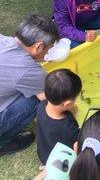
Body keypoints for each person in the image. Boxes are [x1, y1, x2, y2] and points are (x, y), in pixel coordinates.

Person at [0, 15, 59, 156]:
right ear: (38, 46)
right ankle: (3, 143)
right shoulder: (27, 69)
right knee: (36, 100)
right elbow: (53, 99)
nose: (48, 53)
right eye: (49, 48)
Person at [36, 69, 81, 165]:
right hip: (57, 163)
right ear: (67, 104)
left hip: (43, 154)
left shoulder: (41, 105)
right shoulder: (68, 126)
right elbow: (77, 146)